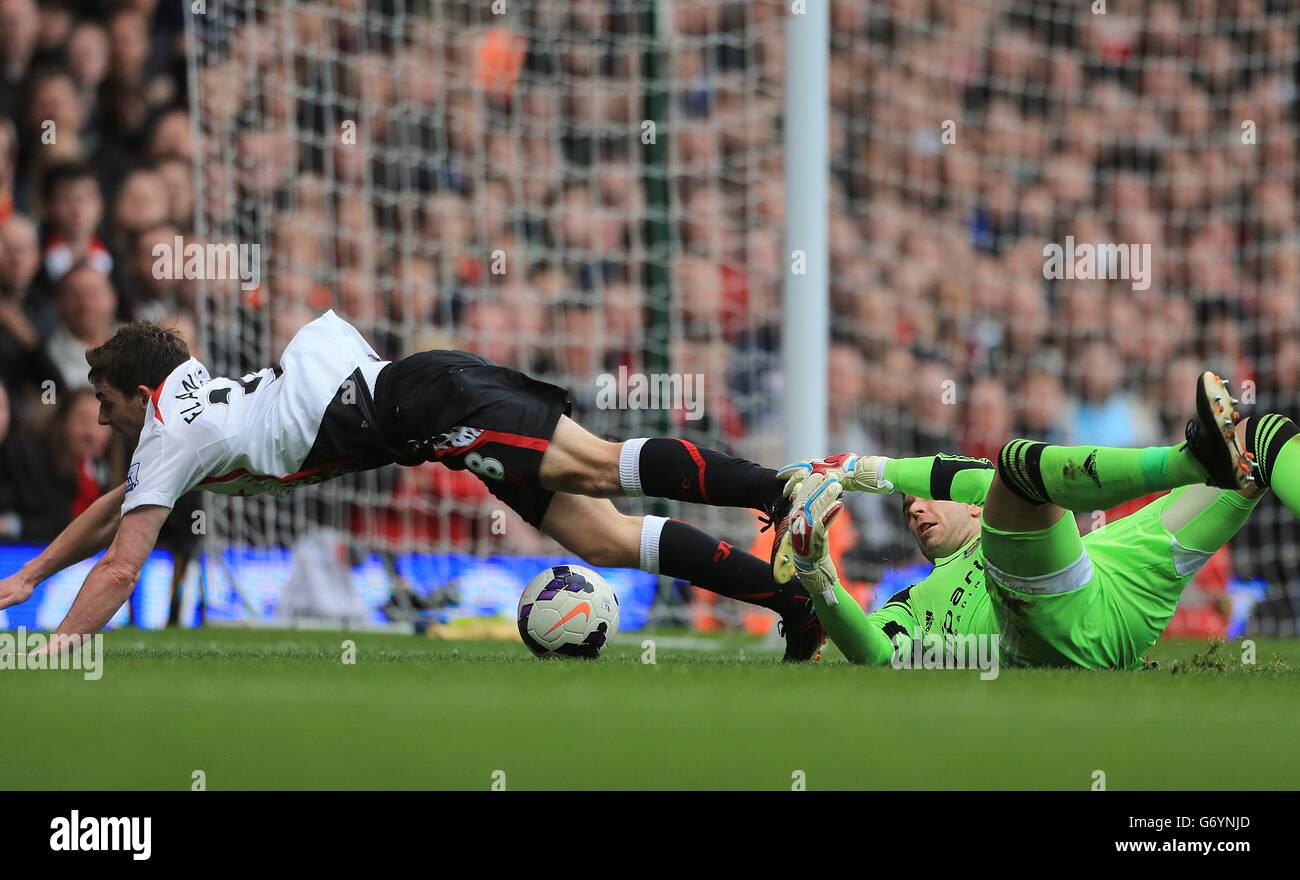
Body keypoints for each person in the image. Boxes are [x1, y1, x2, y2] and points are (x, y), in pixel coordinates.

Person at [0, 310, 821, 657]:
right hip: (421, 406)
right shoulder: (180, 415)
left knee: (601, 464)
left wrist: (59, 642)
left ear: (140, 395)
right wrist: (33, 574)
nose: (101, 420)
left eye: (105, 404)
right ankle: (793, 605)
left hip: (426, 405)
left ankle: (780, 491)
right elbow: (118, 511)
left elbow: (121, 567)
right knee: (600, 534)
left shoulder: (169, 437)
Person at [776, 372, 1299, 669]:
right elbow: (871, 655)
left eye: (925, 497)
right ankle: (1188, 460)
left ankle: (1198, 460)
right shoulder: (910, 603)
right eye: (907, 506)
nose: (914, 508)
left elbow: (983, 477)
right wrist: (817, 570)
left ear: (975, 506)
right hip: (1049, 628)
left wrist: (863, 470)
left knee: (1262, 439)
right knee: (1018, 463)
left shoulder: (992, 499)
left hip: (1118, 585)